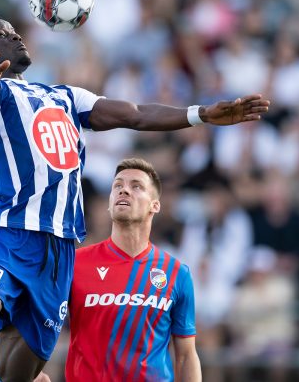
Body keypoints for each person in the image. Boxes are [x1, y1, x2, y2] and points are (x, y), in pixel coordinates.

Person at [0, 15, 268, 382]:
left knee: (11, 377)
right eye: (2, 34)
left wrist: (201, 114)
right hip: (8, 233)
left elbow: (136, 115)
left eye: (16, 31)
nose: (16, 37)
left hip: (58, 254)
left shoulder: (66, 97)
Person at [66, 158, 201, 381]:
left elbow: (186, 355)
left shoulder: (176, 273)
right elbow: (39, 319)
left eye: (136, 186)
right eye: (117, 186)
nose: (124, 190)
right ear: (109, 203)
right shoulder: (75, 264)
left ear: (154, 205)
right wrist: (32, 370)